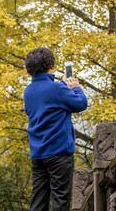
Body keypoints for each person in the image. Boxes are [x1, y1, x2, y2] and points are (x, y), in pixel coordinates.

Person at [23, 47, 88, 211]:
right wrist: (75, 87)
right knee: (60, 202)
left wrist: (62, 84)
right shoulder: (57, 90)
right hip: (58, 154)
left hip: (38, 155)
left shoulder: (28, 91)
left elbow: (48, 97)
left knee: (38, 203)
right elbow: (81, 103)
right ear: (49, 65)